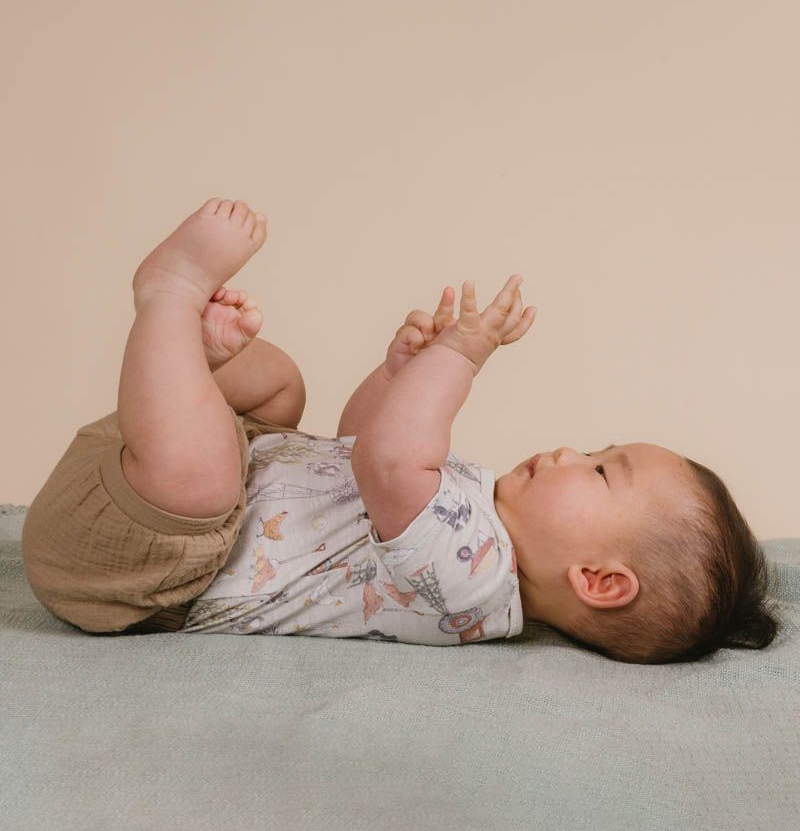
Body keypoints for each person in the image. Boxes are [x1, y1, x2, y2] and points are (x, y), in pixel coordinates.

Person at [21, 199, 781, 662]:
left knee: (204, 475)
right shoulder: (478, 509)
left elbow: (388, 462)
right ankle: (185, 372)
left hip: (138, 567)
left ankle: (169, 296)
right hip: (159, 486)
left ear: (600, 581)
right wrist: (398, 376)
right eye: (594, 446)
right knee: (282, 388)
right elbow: (358, 452)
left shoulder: (477, 581)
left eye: (601, 472)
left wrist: (460, 355)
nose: (568, 452)